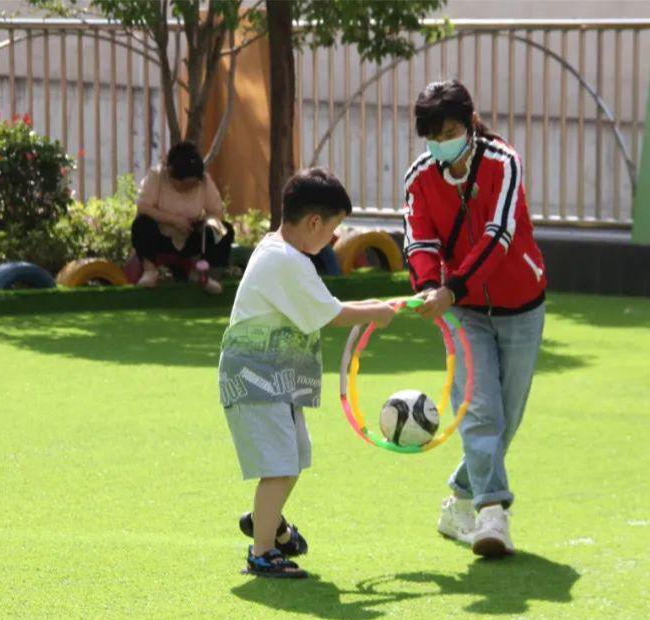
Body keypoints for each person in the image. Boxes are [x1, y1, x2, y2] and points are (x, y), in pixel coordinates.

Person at [219, 168, 397, 578]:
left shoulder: (283, 253)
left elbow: (323, 302)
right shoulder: (285, 261)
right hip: (255, 379)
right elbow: (330, 313)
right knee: (280, 464)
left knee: (294, 456)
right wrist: (373, 312)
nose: (334, 239)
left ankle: (267, 520)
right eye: (333, 230)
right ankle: (262, 551)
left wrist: (378, 305)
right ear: (314, 223)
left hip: (272, 378)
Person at [403, 79, 548, 558]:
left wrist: (452, 287)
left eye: (449, 130)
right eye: (432, 134)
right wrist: (428, 287)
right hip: (463, 311)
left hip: (520, 303)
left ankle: (458, 498)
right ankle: (493, 513)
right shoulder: (419, 178)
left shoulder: (503, 163)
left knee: (508, 416)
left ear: (468, 125)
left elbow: (499, 233)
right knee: (480, 407)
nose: (441, 141)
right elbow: (419, 241)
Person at [132, 142, 233, 294]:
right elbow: (143, 207)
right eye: (184, 185)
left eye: (192, 185)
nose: (188, 189)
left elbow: (217, 212)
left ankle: (203, 274)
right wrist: (173, 220)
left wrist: (204, 222)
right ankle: (150, 271)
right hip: (161, 236)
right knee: (141, 223)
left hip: (191, 236)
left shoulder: (204, 181)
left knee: (223, 228)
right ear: (170, 173)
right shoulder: (156, 176)